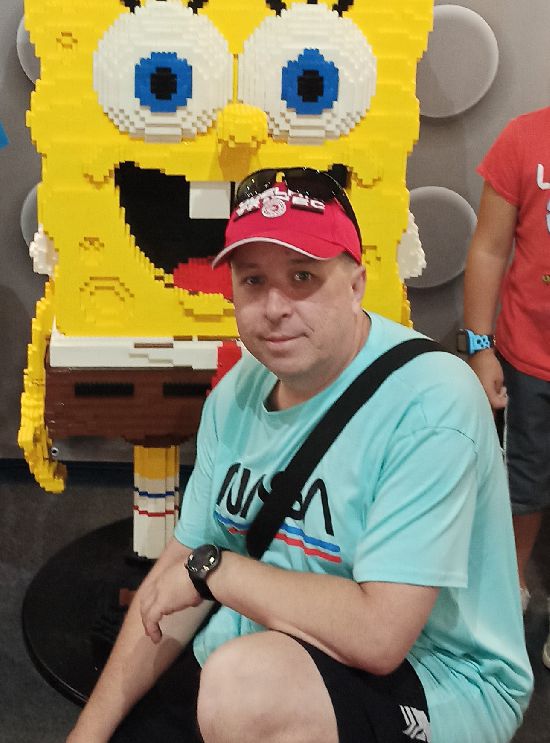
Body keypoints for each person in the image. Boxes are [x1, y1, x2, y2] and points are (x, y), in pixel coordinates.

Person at [68, 169, 532, 743]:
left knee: (244, 691)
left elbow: (379, 636)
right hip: (268, 643)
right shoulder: (236, 396)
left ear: (356, 284)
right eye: (253, 280)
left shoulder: (432, 401)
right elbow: (179, 573)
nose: (274, 307)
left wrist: (218, 571)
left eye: (303, 276)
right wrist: (86, 735)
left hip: (437, 672)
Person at [463, 106, 550, 663]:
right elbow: (489, 248)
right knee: (522, 486)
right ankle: (507, 592)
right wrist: (480, 345)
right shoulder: (524, 136)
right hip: (527, 359)